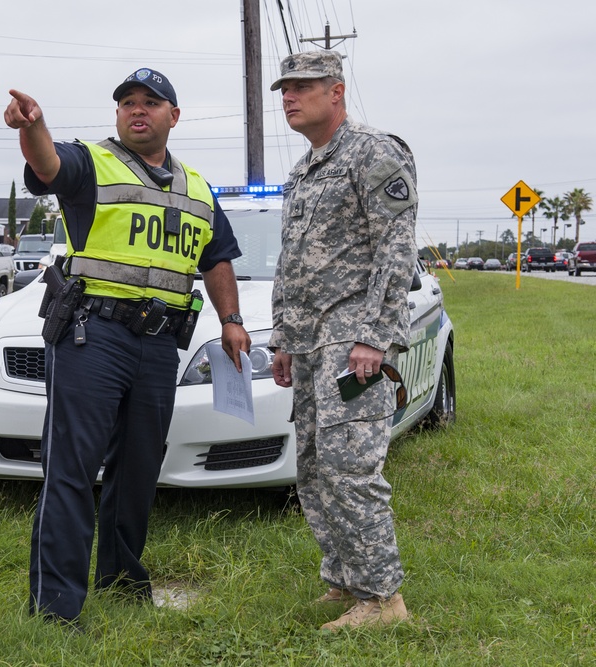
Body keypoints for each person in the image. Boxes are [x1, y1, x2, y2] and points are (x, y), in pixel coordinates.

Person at [3, 68, 252, 626]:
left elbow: (216, 259)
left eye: (151, 103)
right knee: (72, 467)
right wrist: (33, 126)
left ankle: (121, 580)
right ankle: (56, 607)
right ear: (118, 115)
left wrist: (231, 319)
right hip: (94, 335)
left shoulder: (199, 188)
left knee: (139, 467)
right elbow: (46, 165)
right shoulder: (91, 162)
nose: (138, 110)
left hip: (160, 344)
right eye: (128, 104)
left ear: (173, 116)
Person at [268, 50, 417, 631]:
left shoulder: (375, 152)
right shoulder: (304, 171)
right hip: (309, 343)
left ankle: (384, 600)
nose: (289, 96)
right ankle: (346, 580)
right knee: (313, 468)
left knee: (351, 466)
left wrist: (376, 336)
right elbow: (292, 263)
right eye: (284, 88)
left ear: (336, 92)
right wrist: (282, 336)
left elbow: (396, 247)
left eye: (302, 86)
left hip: (352, 342)